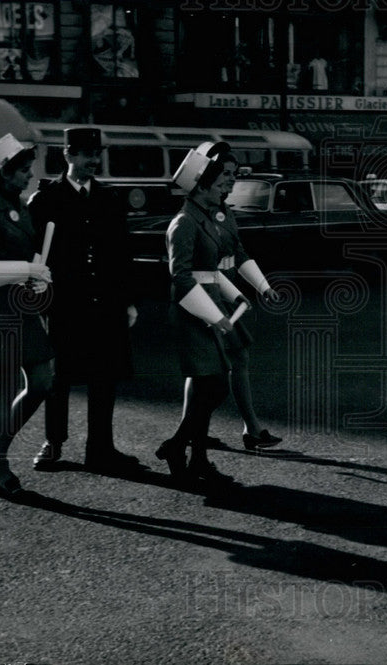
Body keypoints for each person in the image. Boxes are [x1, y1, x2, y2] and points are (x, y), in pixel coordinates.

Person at [27, 127, 140, 474]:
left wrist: (128, 300)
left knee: (104, 375)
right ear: (68, 155)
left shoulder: (109, 199)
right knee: (59, 376)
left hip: (105, 301)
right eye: (87, 154)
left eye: (97, 154)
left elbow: (122, 255)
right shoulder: (45, 200)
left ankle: (100, 448)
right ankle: (53, 443)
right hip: (63, 302)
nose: (94, 161)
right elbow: (34, 254)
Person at [0, 134, 53, 497]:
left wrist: (37, 280)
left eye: (29, 169)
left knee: (42, 382)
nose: (29, 176)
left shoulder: (22, 206)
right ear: (3, 173)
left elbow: (30, 256)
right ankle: (0, 469)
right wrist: (25, 271)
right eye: (23, 171)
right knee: (4, 390)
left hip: (24, 310)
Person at [154, 149, 247, 484]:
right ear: (199, 188)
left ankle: (195, 456)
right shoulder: (183, 223)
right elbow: (180, 277)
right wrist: (214, 316)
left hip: (209, 309)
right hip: (192, 313)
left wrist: (233, 298)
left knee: (208, 382)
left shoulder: (205, 218)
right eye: (216, 186)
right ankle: (179, 446)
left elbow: (213, 268)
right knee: (217, 384)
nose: (223, 191)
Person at [196, 141, 282, 452]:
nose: (232, 179)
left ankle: (241, 428)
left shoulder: (225, 211)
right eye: (225, 173)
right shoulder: (198, 211)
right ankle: (245, 429)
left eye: (235, 173)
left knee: (225, 363)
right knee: (211, 368)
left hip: (228, 291)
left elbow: (240, 253)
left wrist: (262, 286)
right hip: (208, 293)